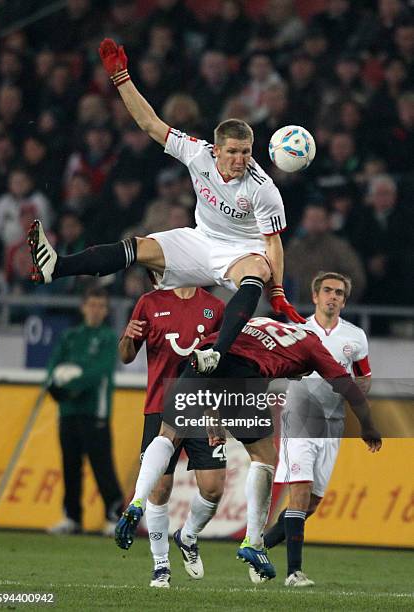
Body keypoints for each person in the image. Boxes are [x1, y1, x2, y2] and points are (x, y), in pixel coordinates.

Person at [28, 38, 304, 378]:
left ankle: (216, 354)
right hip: (201, 239)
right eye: (232, 151)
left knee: (257, 273)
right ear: (216, 150)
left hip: (240, 251)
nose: (240, 159)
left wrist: (276, 290)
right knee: (139, 247)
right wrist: (121, 79)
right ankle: (58, 267)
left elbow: (272, 242)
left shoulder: (262, 188)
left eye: (246, 152)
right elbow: (150, 124)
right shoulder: (196, 152)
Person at [114, 313, 381, 581]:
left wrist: (211, 413)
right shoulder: (311, 344)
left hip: (203, 357)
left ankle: (137, 501)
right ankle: (253, 543)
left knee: (167, 435)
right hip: (243, 371)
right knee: (263, 456)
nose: (298, 377)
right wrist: (368, 425)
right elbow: (346, 385)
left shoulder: (260, 321)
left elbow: (217, 367)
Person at [257, 271, 372, 587]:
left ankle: (259, 548)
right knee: (300, 493)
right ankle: (294, 573)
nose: (332, 296)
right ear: (316, 295)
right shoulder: (297, 331)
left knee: (312, 503)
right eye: (327, 291)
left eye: (338, 292)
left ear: (344, 300)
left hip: (332, 426)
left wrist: (361, 396)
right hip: (300, 420)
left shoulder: (355, 337)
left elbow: (363, 376)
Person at [119, 286, 226, 588]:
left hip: (202, 407)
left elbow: (222, 363)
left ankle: (187, 535)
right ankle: (160, 565)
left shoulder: (215, 306)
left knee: (214, 488)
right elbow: (127, 356)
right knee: (160, 489)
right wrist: (128, 336)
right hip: (159, 405)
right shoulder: (149, 302)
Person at [46, 287, 123, 536]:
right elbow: (53, 367)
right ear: (83, 307)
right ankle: (72, 517)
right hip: (67, 412)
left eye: (100, 306)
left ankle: (113, 517)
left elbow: (98, 371)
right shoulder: (70, 336)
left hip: (95, 412)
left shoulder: (108, 338)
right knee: (70, 466)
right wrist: (53, 386)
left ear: (106, 310)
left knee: (102, 466)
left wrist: (68, 387)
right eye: (92, 304)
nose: (95, 310)